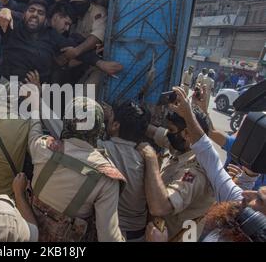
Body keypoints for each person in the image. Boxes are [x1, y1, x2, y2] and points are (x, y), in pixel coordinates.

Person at [165, 87, 266, 241]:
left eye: (259, 199)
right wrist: (192, 113)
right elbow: (208, 153)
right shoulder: (240, 203)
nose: (246, 193)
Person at [29, 97, 126, 242]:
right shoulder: (106, 178)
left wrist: (35, 106)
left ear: (66, 122)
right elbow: (108, 238)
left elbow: (34, 131)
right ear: (100, 130)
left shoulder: (42, 148)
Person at [142, 106, 215, 241]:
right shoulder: (186, 146)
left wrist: (151, 159)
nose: (168, 134)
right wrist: (133, 121)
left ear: (187, 134)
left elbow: (159, 207)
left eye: (171, 130)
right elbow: (155, 133)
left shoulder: (194, 173)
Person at [98, 101, 152, 241]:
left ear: (116, 125)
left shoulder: (102, 149)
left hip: (112, 233)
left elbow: (68, 136)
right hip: (139, 234)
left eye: (111, 119)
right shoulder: (147, 157)